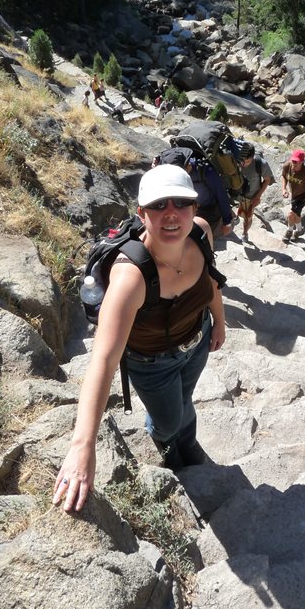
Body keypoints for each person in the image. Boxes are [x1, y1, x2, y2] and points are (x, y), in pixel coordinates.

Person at [53, 165, 226, 513]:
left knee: (185, 401)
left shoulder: (202, 233)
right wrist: (83, 445)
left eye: (181, 202)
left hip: (197, 341)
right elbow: (102, 358)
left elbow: (211, 285)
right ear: (142, 214)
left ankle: (186, 444)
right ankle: (168, 446)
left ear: (194, 209)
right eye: (159, 205)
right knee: (167, 420)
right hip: (151, 362)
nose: (172, 213)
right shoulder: (131, 276)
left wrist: (219, 323)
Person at [281, 149, 305, 243]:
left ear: (302, 162)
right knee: (296, 213)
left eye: (296, 162)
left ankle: (289, 231)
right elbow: (284, 176)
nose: (294, 163)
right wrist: (284, 189)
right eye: (293, 160)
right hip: (295, 195)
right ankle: (299, 230)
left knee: (291, 214)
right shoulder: (287, 166)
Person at [236, 143, 274, 243]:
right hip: (236, 192)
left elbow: (267, 180)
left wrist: (258, 196)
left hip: (251, 196)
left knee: (248, 217)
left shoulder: (261, 164)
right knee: (239, 212)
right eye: (242, 161)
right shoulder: (236, 158)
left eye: (247, 161)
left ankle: (245, 233)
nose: (244, 164)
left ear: (253, 157)